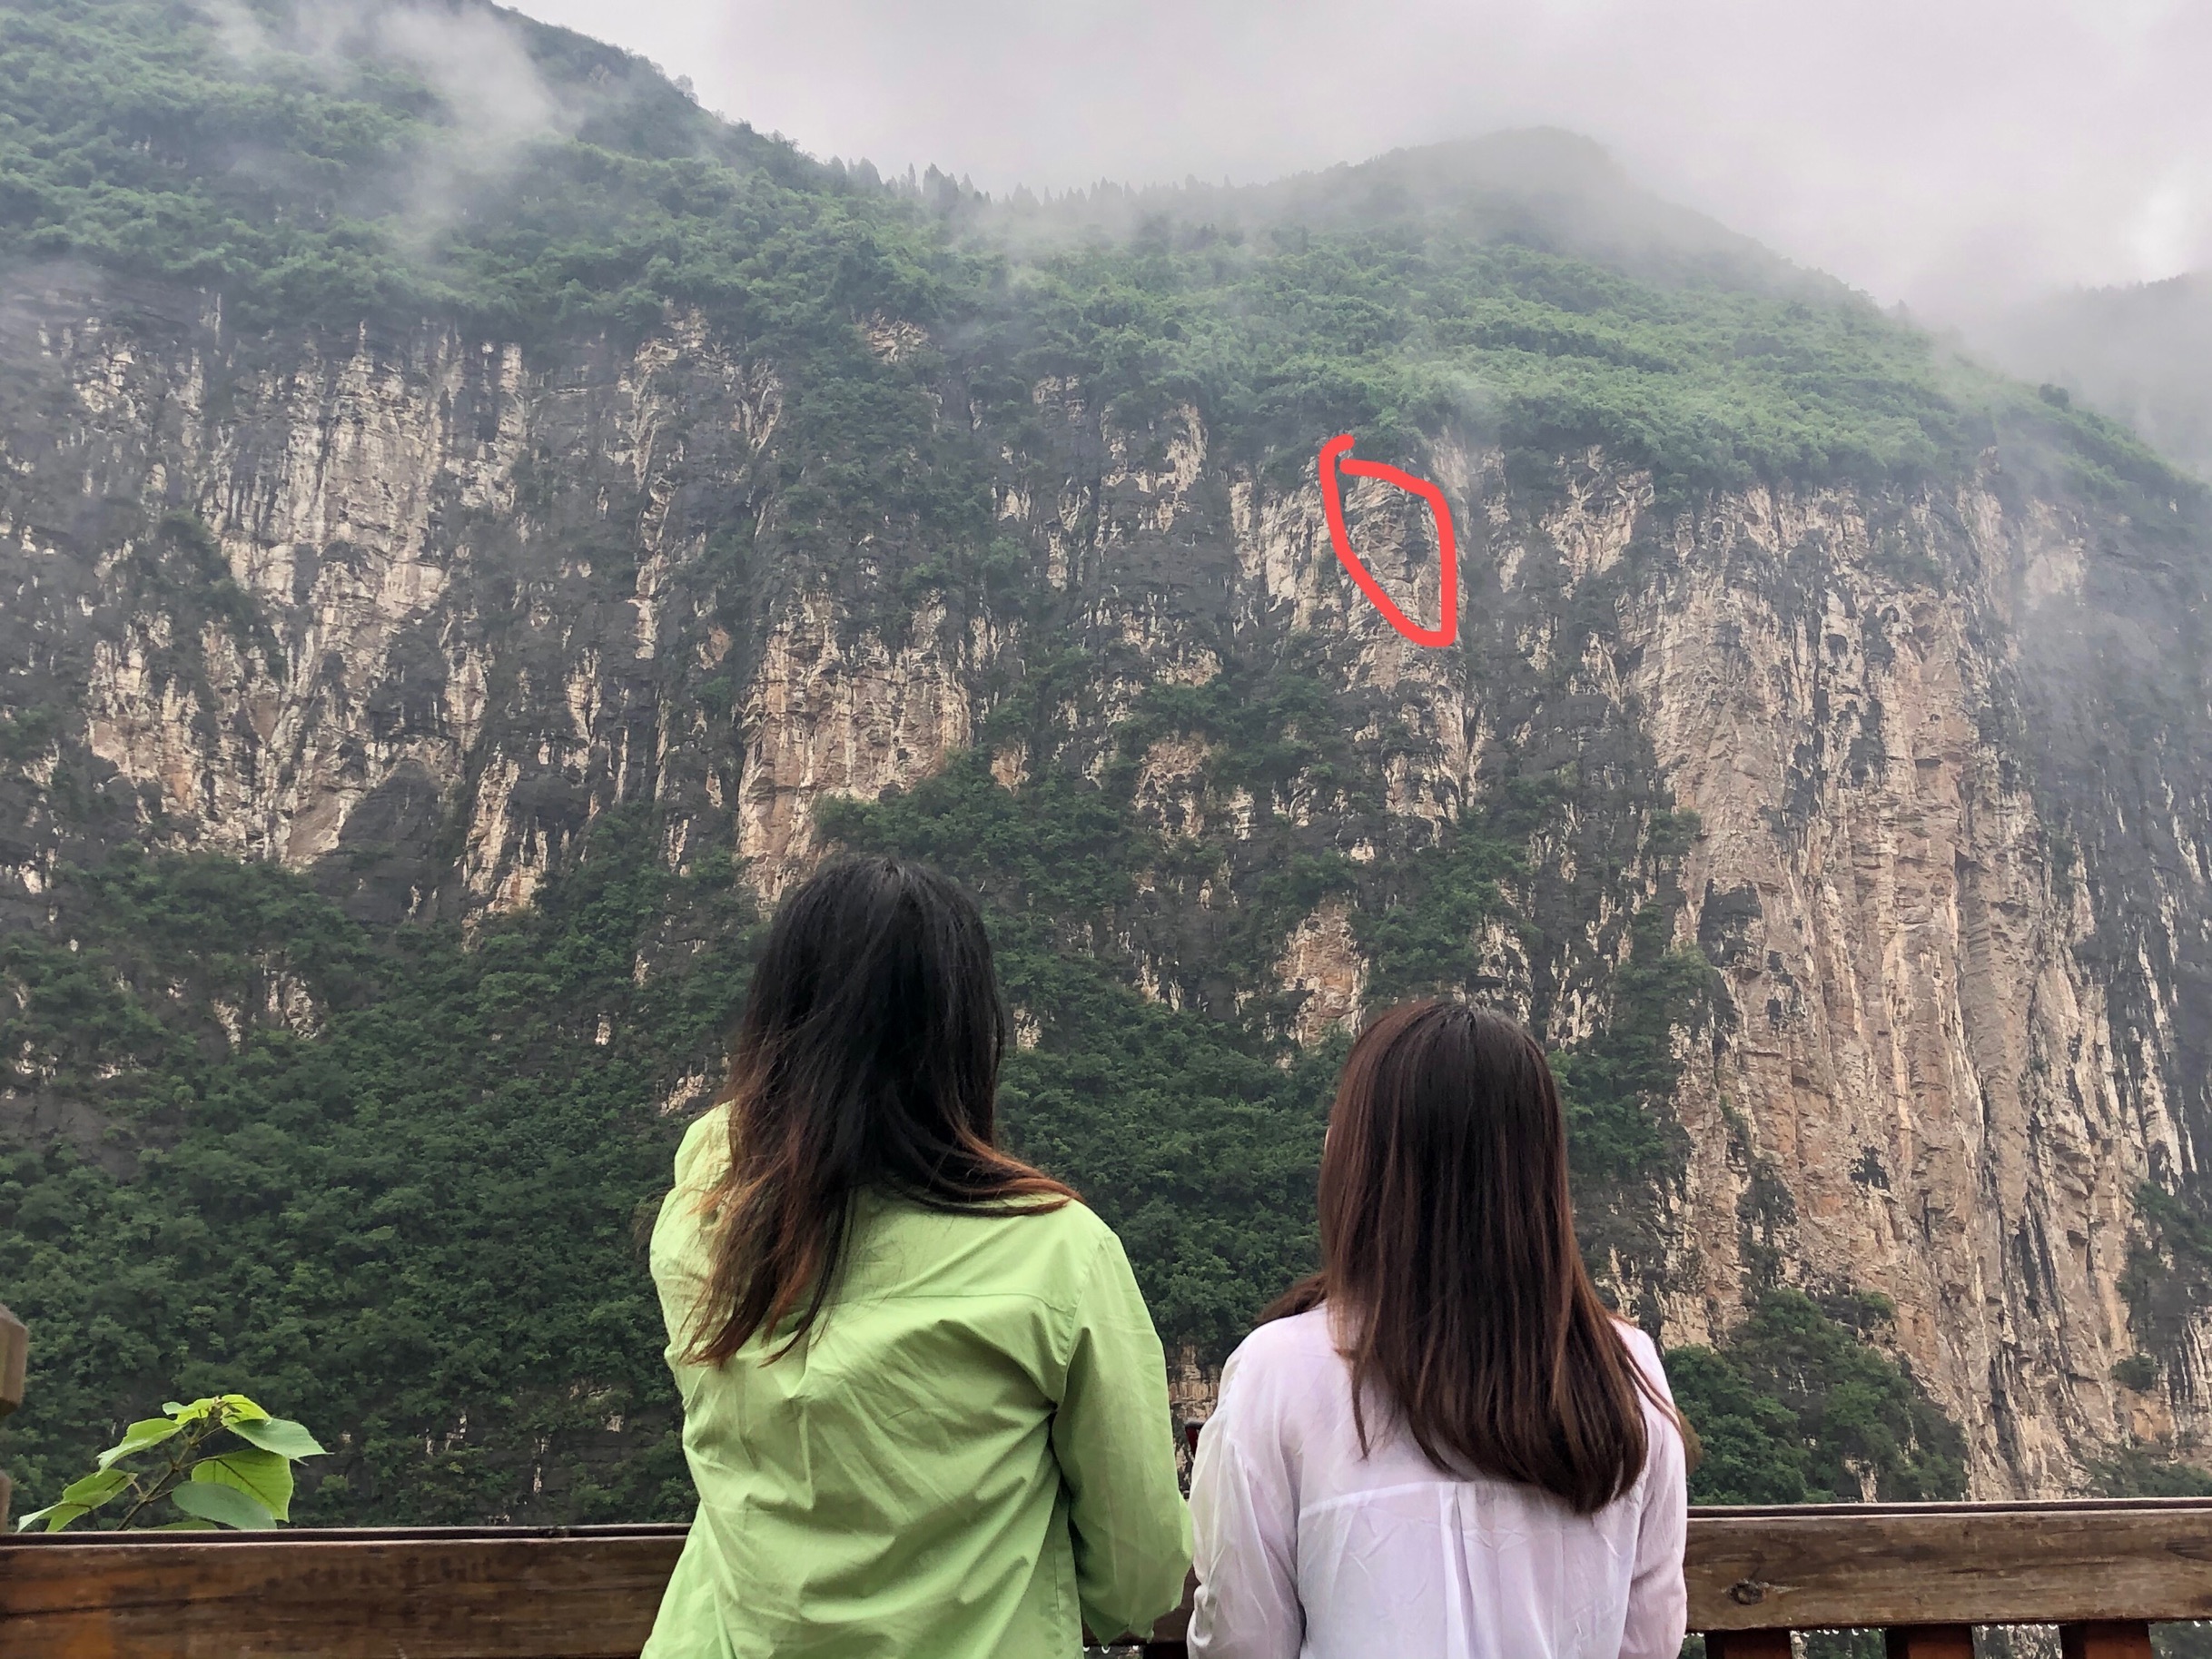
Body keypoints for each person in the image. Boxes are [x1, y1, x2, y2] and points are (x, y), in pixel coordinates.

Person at [643, 856, 1191, 1658]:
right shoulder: (1057, 1255)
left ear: (776, 1017)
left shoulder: (706, 1222)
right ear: (968, 1035)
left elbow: (734, 1137)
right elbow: (1141, 1572)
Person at [1188, 1002, 1690, 1659]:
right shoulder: (1624, 1371)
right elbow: (1648, 1638)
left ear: (1363, 1164)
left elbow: (1242, 1640)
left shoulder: (1279, 1375)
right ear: (1539, 1171)